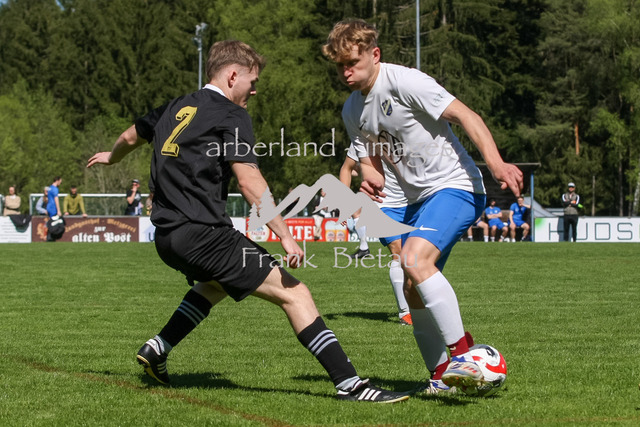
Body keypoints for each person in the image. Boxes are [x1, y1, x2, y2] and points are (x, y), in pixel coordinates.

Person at [87, 40, 407, 403]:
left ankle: (158, 348)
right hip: (203, 234)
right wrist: (285, 235)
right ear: (232, 76)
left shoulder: (175, 106)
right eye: (252, 82)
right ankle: (351, 385)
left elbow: (130, 136)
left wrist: (112, 157)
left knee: (215, 285)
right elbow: (250, 182)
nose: (254, 90)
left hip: (166, 238)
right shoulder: (231, 114)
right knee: (295, 294)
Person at [323, 19, 523, 394]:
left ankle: (466, 357)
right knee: (412, 285)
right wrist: (369, 178)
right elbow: (371, 161)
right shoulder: (352, 109)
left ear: (375, 54)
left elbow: (467, 116)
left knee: (414, 260)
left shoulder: (405, 81)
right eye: (340, 66)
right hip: (417, 200)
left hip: (456, 186)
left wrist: (496, 164)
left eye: (352, 62)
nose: (346, 71)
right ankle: (441, 377)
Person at [340, 143, 412, 325]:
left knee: (416, 257)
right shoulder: (362, 139)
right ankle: (405, 313)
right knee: (398, 252)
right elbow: (347, 168)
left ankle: (418, 305)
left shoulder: (407, 132)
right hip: (384, 204)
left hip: (413, 201)